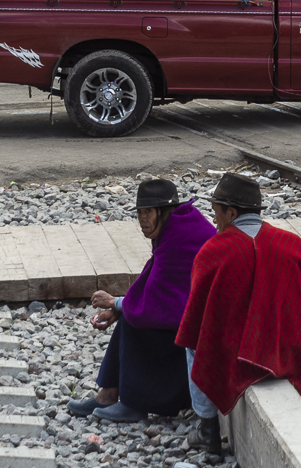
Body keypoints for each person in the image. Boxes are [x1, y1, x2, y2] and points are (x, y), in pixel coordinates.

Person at [176, 174, 301, 439]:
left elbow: (197, 324)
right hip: (290, 353)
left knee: (191, 342)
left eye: (216, 212)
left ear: (231, 212)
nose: (214, 220)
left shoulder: (213, 252)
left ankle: (206, 425)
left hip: (235, 360)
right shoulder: (292, 244)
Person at [68, 180, 217, 423]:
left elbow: (157, 305)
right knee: (130, 314)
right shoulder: (176, 225)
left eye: (148, 212)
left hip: (199, 336)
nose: (142, 219)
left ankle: (133, 403)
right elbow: (153, 283)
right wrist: (120, 307)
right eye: (139, 213)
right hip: (190, 323)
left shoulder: (181, 236)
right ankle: (108, 394)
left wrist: (118, 304)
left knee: (134, 321)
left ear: (163, 211)